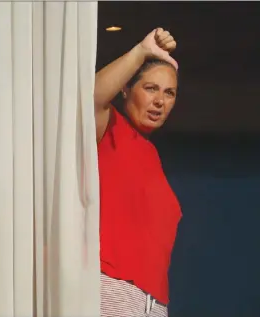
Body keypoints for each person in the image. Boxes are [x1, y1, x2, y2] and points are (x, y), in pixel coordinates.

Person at [94, 28, 182, 317]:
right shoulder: (110, 129)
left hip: (154, 303)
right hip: (112, 289)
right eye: (150, 88)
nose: (160, 101)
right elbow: (90, 99)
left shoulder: (151, 156)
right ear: (125, 89)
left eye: (169, 93)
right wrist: (142, 51)